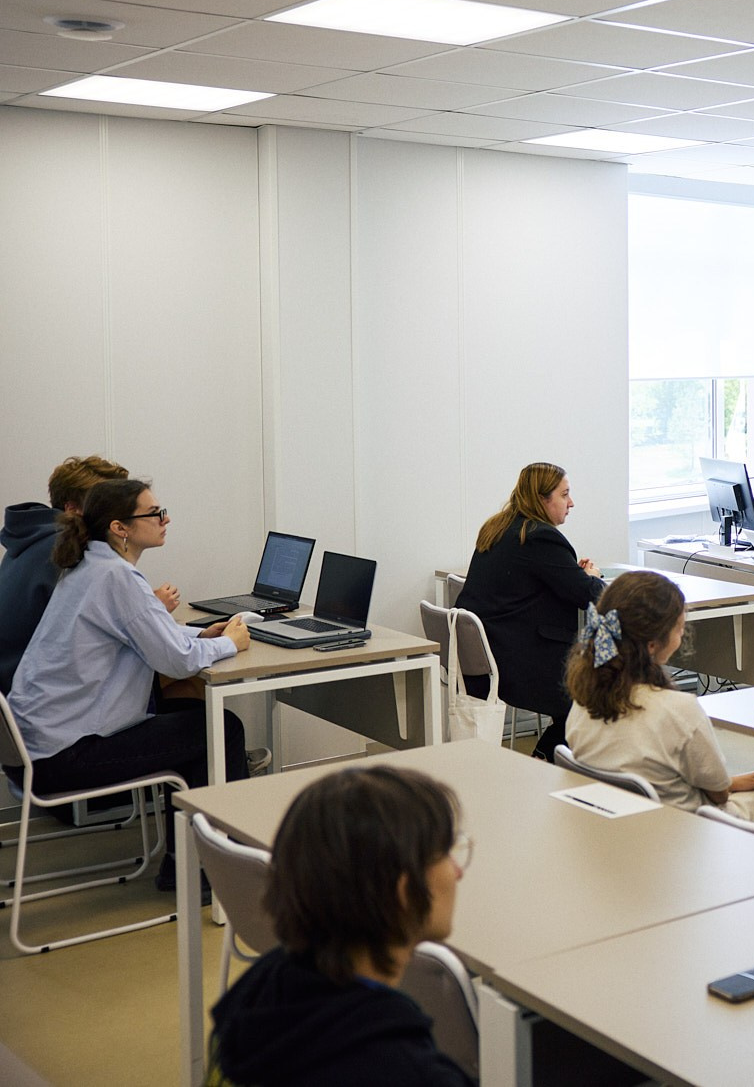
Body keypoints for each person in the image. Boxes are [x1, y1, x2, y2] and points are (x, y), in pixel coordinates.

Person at [5, 479, 248, 889]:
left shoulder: (87, 566)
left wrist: (201, 638)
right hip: (64, 756)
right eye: (154, 513)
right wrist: (229, 643)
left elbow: (147, 637)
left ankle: (188, 862)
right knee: (220, 730)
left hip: (34, 748)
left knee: (197, 719)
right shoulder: (117, 577)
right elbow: (175, 660)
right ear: (120, 528)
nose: (164, 519)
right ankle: (207, 872)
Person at [205, 764, 475, 1087]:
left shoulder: (256, 994)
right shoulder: (408, 1072)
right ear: (404, 894)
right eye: (445, 853)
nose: (458, 871)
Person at [564, 571, 754, 822]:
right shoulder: (678, 709)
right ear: (653, 645)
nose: (681, 636)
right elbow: (719, 794)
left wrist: (733, 782)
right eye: (679, 628)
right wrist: (732, 784)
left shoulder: (582, 699)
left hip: (625, 823)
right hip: (693, 830)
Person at [453, 463, 604, 761]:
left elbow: (531, 580)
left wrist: (571, 575)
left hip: (486, 658)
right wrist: (593, 578)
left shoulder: (497, 527)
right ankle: (545, 758)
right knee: (597, 691)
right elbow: (587, 595)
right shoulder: (540, 537)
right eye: (564, 494)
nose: (571, 502)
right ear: (542, 499)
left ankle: (546, 757)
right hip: (519, 663)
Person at [0, 455, 177, 691]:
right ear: (73, 509)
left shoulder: (30, 539)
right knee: (180, 680)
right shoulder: (65, 551)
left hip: (15, 689)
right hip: (46, 694)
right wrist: (151, 609)